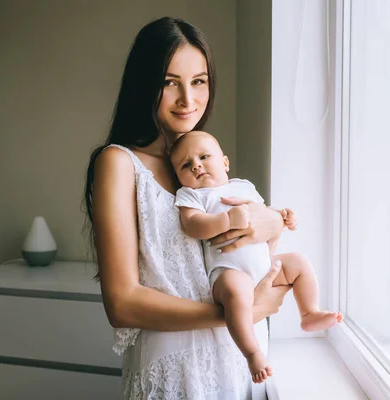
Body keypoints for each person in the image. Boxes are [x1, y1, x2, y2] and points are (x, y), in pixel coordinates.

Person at [83, 17, 290, 400]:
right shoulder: (119, 163)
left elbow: (247, 243)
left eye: (199, 81)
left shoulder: (201, 162)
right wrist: (244, 312)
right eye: (169, 82)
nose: (187, 99)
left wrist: (273, 221)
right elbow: (123, 303)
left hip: (238, 366)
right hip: (174, 376)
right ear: (144, 83)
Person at [169, 131, 343, 384]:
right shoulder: (191, 195)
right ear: (179, 176)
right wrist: (226, 219)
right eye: (186, 164)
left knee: (297, 261)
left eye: (204, 156)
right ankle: (252, 353)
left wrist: (281, 215)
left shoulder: (243, 186)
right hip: (227, 270)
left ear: (225, 163)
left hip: (263, 264)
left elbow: (263, 214)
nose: (196, 165)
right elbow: (193, 225)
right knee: (237, 292)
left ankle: (309, 312)